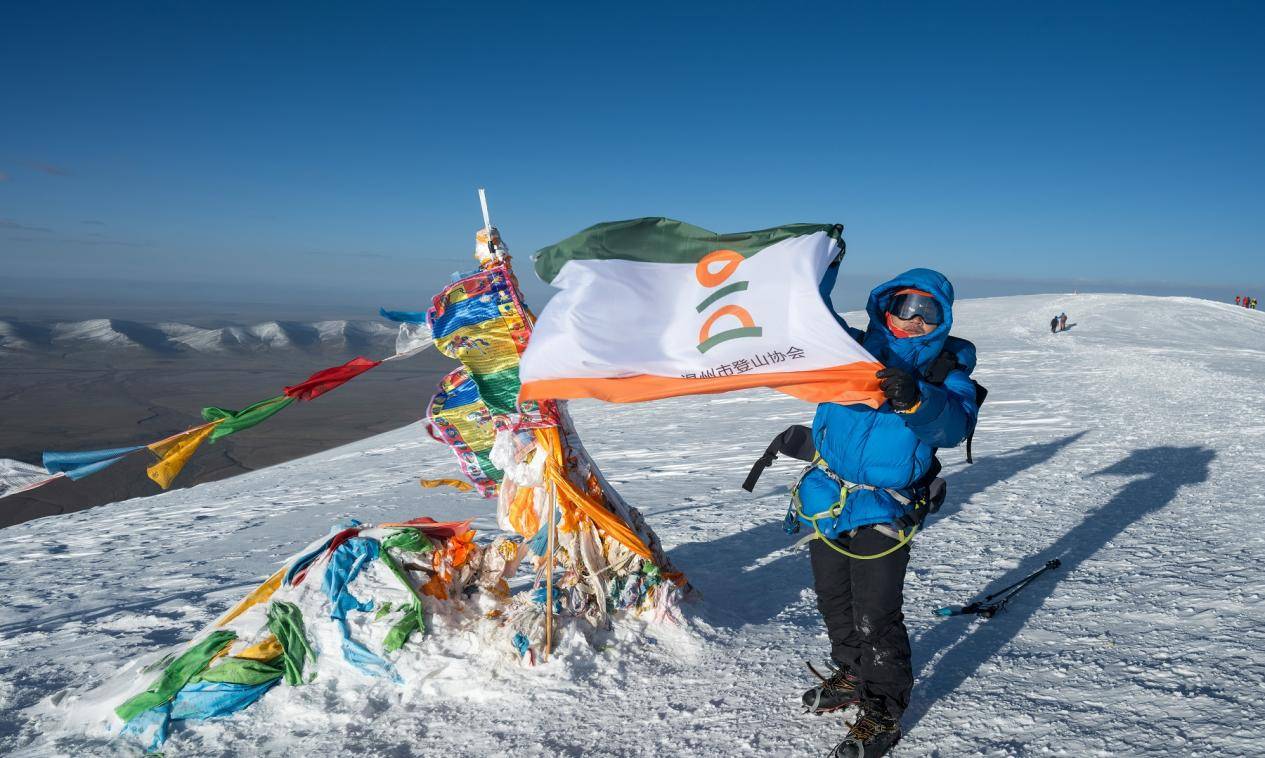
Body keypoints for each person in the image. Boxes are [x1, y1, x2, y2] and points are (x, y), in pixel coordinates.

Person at [799, 268, 980, 758]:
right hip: (828, 498)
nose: (915, 319)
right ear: (885, 307)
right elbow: (805, 318)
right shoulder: (851, 351)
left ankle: (883, 710)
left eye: (929, 311)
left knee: (875, 613)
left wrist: (917, 400)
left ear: (942, 320)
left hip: (886, 506)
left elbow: (953, 425)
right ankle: (853, 672)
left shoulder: (946, 373)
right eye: (907, 306)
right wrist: (819, 266)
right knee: (834, 598)